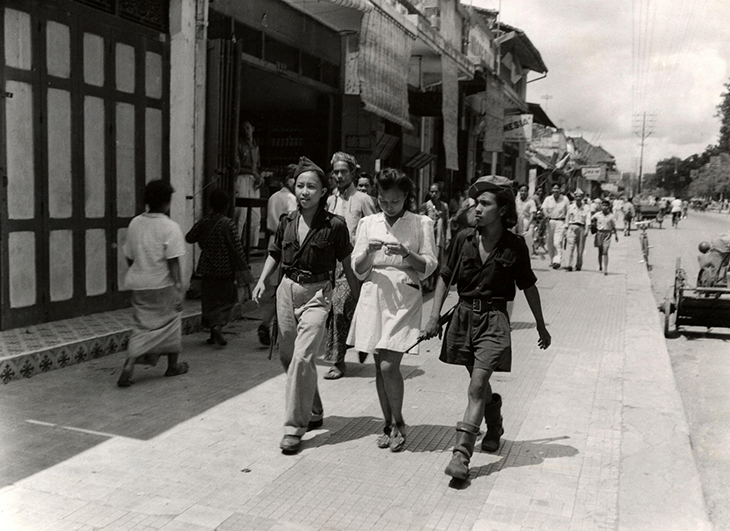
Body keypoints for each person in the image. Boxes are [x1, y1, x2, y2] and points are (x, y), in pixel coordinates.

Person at [421, 175, 551, 481]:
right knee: (477, 382)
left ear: (503, 210)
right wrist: (432, 316)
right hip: (464, 318)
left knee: (477, 385)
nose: (476, 208)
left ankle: (461, 455)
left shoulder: (515, 246)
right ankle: (495, 425)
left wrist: (541, 326)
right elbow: (444, 276)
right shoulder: (463, 239)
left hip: (494, 320)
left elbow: (529, 286)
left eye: (485, 203)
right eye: (475, 203)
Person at [251, 156, 359, 455]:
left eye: (312, 186)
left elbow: (348, 264)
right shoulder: (287, 221)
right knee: (290, 359)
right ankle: (314, 409)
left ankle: (293, 429)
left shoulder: (335, 226)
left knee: (301, 358)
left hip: (318, 294)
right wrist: (262, 280)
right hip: (287, 290)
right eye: (300, 186)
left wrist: (357, 297)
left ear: (323, 191)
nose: (304, 192)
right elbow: (274, 253)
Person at [348, 169, 438, 452]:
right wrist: (369, 253)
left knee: (390, 365)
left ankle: (399, 422)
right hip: (374, 294)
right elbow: (358, 269)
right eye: (383, 201)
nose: (388, 207)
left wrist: (406, 254)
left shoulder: (421, 223)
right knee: (379, 364)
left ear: (407, 199)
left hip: (405, 295)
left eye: (395, 202)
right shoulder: (367, 223)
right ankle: (388, 424)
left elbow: (430, 265)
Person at [117, 180, 189, 387]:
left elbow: (129, 255)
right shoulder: (170, 227)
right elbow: (173, 262)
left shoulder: (135, 223)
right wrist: (179, 288)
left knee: (142, 326)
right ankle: (172, 366)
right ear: (167, 203)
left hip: (139, 283)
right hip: (162, 284)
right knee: (173, 322)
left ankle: (129, 364)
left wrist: (141, 269)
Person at [324, 152, 377, 379]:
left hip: (355, 264)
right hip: (331, 263)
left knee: (343, 305)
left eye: (343, 171)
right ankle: (350, 350)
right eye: (335, 172)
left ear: (353, 173)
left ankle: (339, 361)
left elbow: (375, 228)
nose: (338, 176)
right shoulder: (329, 199)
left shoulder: (363, 200)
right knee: (336, 309)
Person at [186, 189, 253, 347]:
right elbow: (237, 248)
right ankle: (218, 326)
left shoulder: (204, 222)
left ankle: (211, 332)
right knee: (227, 300)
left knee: (209, 301)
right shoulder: (228, 224)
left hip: (207, 268)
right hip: (225, 269)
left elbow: (189, 237)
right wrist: (243, 269)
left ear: (211, 205)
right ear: (227, 205)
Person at [257, 165, 298, 345]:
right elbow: (293, 224)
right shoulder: (290, 198)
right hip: (286, 242)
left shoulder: (274, 196)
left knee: (277, 288)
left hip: (273, 240)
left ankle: (270, 325)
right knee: (284, 288)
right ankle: (272, 326)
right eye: (292, 178)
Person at [234, 120, 262, 248]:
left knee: (255, 216)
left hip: (253, 180)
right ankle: (237, 246)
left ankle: (251, 247)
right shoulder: (239, 145)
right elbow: (236, 167)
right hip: (242, 179)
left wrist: (259, 177)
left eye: (247, 128)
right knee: (241, 214)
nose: (246, 131)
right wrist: (253, 172)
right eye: (243, 128)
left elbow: (258, 167)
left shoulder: (256, 147)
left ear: (253, 128)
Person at [419, 182, 451, 292]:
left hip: (439, 238)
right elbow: (420, 221)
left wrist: (448, 237)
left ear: (440, 193)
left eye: (436, 192)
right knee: (429, 259)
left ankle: (435, 284)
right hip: (428, 237)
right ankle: (427, 284)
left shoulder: (444, 206)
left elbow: (447, 222)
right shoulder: (425, 205)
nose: (433, 194)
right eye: (431, 191)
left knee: (438, 261)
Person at [541, 183, 570, 269]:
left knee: (557, 242)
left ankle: (557, 260)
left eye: (558, 188)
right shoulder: (548, 199)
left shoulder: (565, 199)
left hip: (560, 221)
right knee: (550, 242)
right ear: (552, 190)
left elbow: (568, 212)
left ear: (560, 190)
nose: (556, 190)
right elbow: (544, 209)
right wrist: (546, 214)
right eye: (554, 188)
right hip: (550, 222)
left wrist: (567, 224)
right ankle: (552, 260)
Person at [564, 188, 590, 271]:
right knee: (571, 247)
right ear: (574, 197)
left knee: (580, 247)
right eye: (576, 196)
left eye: (580, 196)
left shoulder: (586, 207)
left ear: (582, 197)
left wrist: (587, 229)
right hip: (572, 227)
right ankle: (569, 265)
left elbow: (588, 219)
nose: (578, 198)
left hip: (581, 227)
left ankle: (578, 265)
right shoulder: (571, 207)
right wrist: (565, 229)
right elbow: (567, 219)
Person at [592, 199, 619, 275]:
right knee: (600, 251)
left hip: (607, 234)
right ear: (601, 206)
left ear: (609, 207)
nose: (604, 207)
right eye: (603, 205)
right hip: (599, 233)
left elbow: (614, 226)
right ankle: (600, 265)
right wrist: (593, 224)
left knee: (605, 251)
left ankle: (605, 268)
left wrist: (616, 235)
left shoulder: (611, 216)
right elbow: (591, 220)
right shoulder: (597, 215)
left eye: (606, 206)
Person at [515, 184, 537, 252]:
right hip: (518, 222)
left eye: (525, 191)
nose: (523, 193)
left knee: (528, 242)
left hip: (527, 221)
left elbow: (532, 213)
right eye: (521, 191)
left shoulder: (531, 201)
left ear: (527, 192)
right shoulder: (516, 200)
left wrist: (528, 224)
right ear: (519, 191)